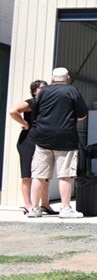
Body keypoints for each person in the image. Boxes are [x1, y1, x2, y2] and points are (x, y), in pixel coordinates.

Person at [28, 68, 88, 218]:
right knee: (65, 175)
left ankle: (34, 209)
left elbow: (35, 114)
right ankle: (65, 209)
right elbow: (82, 114)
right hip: (65, 138)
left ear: (52, 78)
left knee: (38, 175)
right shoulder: (71, 91)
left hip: (43, 138)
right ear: (67, 77)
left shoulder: (43, 92)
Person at [9, 80, 57, 215]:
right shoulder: (33, 102)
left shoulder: (48, 103)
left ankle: (45, 204)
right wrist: (25, 123)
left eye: (46, 88)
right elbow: (13, 111)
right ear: (34, 90)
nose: (44, 90)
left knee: (44, 174)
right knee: (27, 175)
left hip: (44, 139)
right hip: (29, 140)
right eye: (41, 88)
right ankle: (28, 205)